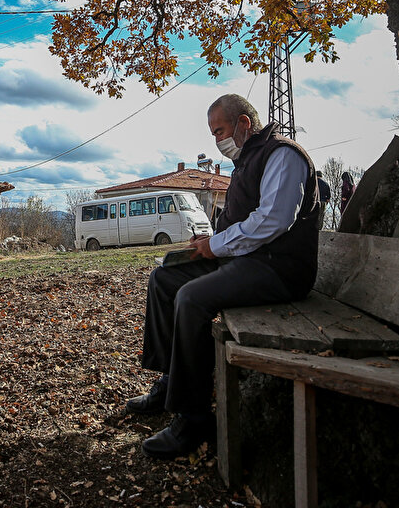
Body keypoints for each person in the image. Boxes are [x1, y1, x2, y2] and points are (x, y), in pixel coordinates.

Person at [127, 94, 321, 458]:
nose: (218, 140)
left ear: (244, 124)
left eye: (220, 131)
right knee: (165, 279)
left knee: (192, 298)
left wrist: (218, 246)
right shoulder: (246, 162)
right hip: (249, 259)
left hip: (279, 268)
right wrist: (210, 241)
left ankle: (193, 419)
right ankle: (170, 381)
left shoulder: (283, 155)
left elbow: (275, 219)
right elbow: (241, 221)